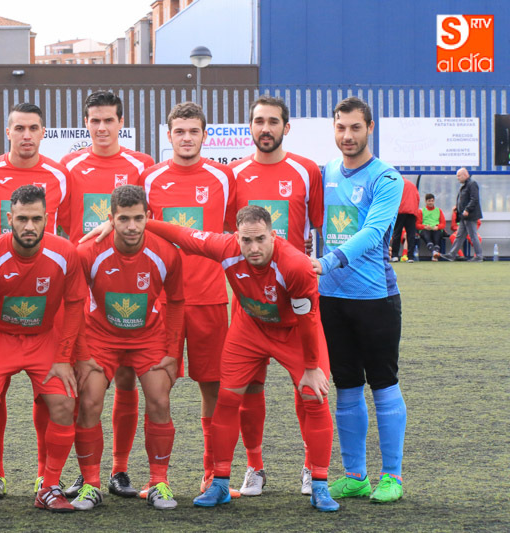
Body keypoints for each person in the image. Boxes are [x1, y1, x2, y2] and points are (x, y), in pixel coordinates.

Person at [130, 206, 337, 512]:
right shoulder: (226, 248)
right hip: (250, 328)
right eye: (246, 241)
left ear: (273, 235)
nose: (253, 248)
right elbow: (185, 237)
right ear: (236, 237)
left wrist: (310, 367)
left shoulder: (295, 266)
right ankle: (220, 483)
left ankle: (319, 484)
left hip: (294, 330)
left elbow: (308, 319)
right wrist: (143, 223)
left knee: (313, 395)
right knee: (227, 398)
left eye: (260, 240)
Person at [0, 185, 86, 513]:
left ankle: (49, 487)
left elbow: (75, 306)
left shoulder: (65, 253)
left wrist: (63, 358)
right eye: (21, 219)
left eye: (35, 219)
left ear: (48, 219)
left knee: (63, 403)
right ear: (9, 219)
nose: (29, 226)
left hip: (43, 338)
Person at [310, 96, 406, 504]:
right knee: (346, 386)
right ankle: (355, 475)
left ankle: (393, 477)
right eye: (340, 128)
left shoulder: (386, 178)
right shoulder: (324, 172)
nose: (347, 136)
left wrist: (327, 261)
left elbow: (372, 232)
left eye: (355, 128)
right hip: (330, 298)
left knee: (383, 384)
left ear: (370, 128)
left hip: (375, 298)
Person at [60, 91, 155, 499]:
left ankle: (119, 471)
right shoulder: (69, 166)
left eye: (109, 121)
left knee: (128, 381)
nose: (102, 128)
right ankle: (87, 474)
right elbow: (65, 227)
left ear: (121, 123)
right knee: (86, 388)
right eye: (94, 121)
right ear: (86, 124)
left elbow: (152, 223)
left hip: (130, 288)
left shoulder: (142, 165)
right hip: (85, 289)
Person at [0, 103, 71, 497]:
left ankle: (46, 480)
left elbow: (74, 227)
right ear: (7, 131)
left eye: (34, 128)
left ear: (43, 132)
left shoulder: (61, 175)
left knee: (55, 398)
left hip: (46, 307)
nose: (26, 135)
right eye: (19, 128)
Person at [228, 95, 324, 497]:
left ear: (287, 126)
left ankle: (309, 467)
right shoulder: (232, 174)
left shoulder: (307, 171)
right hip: (249, 304)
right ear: (249, 127)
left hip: (294, 302)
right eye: (257, 121)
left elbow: (317, 231)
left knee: (308, 385)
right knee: (250, 386)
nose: (264, 128)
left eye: (272, 121)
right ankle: (255, 468)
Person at [141, 102, 236, 494]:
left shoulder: (223, 177)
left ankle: (213, 474)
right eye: (179, 131)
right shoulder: (149, 178)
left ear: (204, 135)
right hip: (162, 304)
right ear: (169, 135)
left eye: (193, 131)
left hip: (211, 300)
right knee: (157, 391)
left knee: (212, 388)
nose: (186, 138)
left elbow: (232, 236)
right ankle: (157, 479)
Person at [72, 185, 184, 511]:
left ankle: (158, 482)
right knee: (90, 402)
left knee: (160, 400)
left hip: (148, 338)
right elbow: (73, 304)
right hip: (100, 337)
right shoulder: (88, 252)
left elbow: (176, 302)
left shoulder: (166, 253)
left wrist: (174, 353)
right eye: (124, 219)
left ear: (149, 217)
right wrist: (81, 353)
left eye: (138, 218)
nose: (132, 226)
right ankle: (91, 484)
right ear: (111, 219)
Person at [440, 168, 483, 262]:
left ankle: (479, 256)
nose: (458, 178)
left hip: (470, 215)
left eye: (459, 176)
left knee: (473, 236)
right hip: (464, 216)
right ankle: (452, 255)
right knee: (459, 236)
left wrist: (467, 209)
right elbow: (465, 199)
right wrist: (458, 207)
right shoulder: (466, 185)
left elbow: (474, 199)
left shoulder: (472, 184)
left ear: (464, 175)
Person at [390, 177, 420, 263]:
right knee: (411, 235)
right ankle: (410, 257)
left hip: (400, 211)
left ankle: (395, 256)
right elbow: (417, 198)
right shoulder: (412, 185)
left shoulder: (396, 184)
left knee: (397, 233)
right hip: (411, 212)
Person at [416, 193, 446, 260]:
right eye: (429, 201)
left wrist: (437, 227)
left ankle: (435, 252)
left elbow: (443, 224)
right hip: (425, 229)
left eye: (432, 201)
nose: (431, 202)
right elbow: (417, 224)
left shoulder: (438, 210)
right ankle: (434, 252)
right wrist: (424, 227)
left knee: (437, 235)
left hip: (436, 229)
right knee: (426, 235)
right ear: (426, 201)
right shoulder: (421, 211)